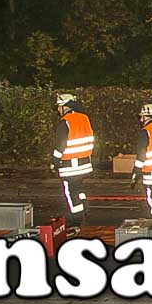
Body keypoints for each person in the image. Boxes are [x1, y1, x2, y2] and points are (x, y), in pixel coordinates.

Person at [52, 94, 94, 227]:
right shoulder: (84, 118)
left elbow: (60, 144)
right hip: (84, 162)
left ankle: (76, 218)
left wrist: (54, 161)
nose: (58, 109)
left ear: (65, 107)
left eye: (59, 106)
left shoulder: (65, 121)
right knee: (78, 187)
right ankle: (84, 207)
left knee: (70, 191)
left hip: (70, 164)